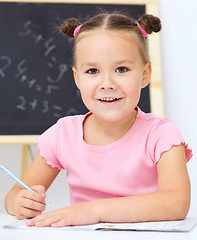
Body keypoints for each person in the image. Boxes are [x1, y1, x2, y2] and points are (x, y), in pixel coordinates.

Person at [5, 12, 192, 228]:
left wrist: (94, 211)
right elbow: (15, 195)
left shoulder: (161, 134)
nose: (107, 83)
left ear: (144, 74)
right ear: (77, 77)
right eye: (92, 71)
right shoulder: (63, 134)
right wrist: (19, 203)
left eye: (121, 69)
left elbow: (177, 203)